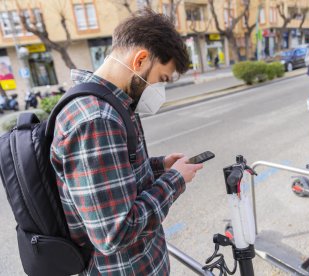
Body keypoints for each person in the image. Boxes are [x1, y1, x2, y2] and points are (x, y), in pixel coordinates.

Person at [50, 9, 203, 275]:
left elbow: (118, 180)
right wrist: (175, 180)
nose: (159, 90)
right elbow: (114, 234)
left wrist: (159, 167)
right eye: (161, 79)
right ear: (141, 59)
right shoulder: (96, 120)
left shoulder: (112, 105)